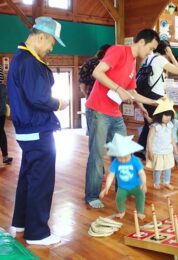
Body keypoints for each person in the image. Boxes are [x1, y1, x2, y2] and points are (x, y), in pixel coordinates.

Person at [7, 16, 69, 246]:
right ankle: (37, 233)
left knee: (28, 177)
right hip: (37, 129)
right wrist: (58, 103)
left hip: (28, 129)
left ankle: (20, 223)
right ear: (41, 36)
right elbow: (38, 98)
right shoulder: (30, 62)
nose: (51, 48)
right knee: (41, 181)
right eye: (52, 43)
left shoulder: (22, 57)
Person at [85, 29, 160, 209]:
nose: (150, 53)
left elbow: (132, 92)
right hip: (98, 110)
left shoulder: (133, 62)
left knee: (123, 153)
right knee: (97, 154)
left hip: (114, 113)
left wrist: (152, 102)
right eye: (150, 48)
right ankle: (92, 195)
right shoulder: (119, 50)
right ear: (141, 42)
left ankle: (123, 188)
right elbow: (97, 72)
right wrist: (118, 88)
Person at [136, 40, 178, 157]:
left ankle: (142, 150)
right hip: (155, 97)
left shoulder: (148, 59)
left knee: (149, 123)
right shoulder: (160, 59)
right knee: (158, 124)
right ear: (166, 49)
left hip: (145, 95)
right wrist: (171, 55)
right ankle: (155, 151)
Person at [99, 133, 147, 219]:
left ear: (131, 153)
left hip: (136, 186)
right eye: (120, 158)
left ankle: (140, 212)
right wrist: (106, 188)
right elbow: (111, 175)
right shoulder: (115, 163)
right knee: (119, 198)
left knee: (141, 196)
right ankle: (121, 211)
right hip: (122, 187)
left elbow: (141, 173)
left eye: (125, 157)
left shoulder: (135, 161)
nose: (123, 160)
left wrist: (144, 183)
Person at [79, 44, 111, 133]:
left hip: (93, 101)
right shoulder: (110, 63)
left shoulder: (89, 63)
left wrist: (87, 96)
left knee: (93, 134)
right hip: (109, 101)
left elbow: (82, 85)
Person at [146, 99, 177, 190]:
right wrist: (150, 151)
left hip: (168, 150)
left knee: (168, 167)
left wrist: (174, 146)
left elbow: (171, 137)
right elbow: (150, 139)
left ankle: (166, 182)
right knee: (158, 168)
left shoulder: (170, 125)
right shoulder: (155, 126)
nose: (168, 117)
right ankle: (156, 182)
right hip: (157, 151)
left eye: (170, 115)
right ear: (159, 115)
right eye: (165, 115)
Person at [0, 66, 13, 164]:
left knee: (1, 133)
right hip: (2, 114)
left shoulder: (4, 89)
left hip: (2, 113)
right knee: (1, 133)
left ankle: (5, 157)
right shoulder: (5, 88)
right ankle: (5, 157)